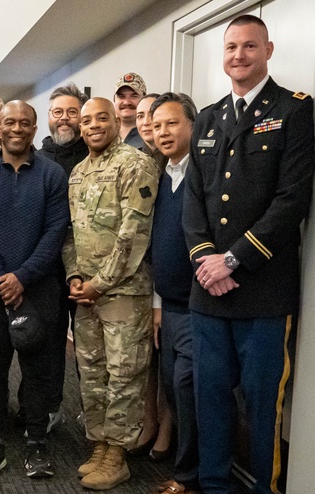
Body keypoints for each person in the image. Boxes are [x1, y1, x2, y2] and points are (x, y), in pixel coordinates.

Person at [176, 15, 315, 494]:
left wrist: (232, 259)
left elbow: (292, 198)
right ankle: (214, 492)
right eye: (231, 46)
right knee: (208, 397)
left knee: (262, 403)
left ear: (268, 49)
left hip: (263, 291)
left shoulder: (293, 111)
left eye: (249, 46)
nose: (238, 55)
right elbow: (194, 202)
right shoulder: (209, 119)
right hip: (208, 293)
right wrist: (204, 261)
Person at [0, 100, 70, 478]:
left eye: (25, 122)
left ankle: (36, 444)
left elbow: (55, 234)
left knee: (37, 371)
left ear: (35, 127)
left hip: (39, 289)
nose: (17, 129)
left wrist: (22, 276)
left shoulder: (53, 176)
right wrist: (2, 278)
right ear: (0, 127)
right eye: (10, 122)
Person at [63, 97, 158, 491]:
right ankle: (101, 444)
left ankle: (118, 456)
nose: (94, 125)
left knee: (124, 374)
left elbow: (133, 235)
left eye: (102, 118)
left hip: (123, 293)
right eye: (87, 120)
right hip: (87, 295)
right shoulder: (78, 173)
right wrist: (74, 277)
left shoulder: (136, 164)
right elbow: (70, 235)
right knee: (93, 372)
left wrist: (99, 283)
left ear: (116, 122)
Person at [141, 92, 201, 494]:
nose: (163, 132)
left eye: (172, 123)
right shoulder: (163, 174)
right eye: (157, 125)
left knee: (189, 388)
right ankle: (187, 470)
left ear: (193, 126)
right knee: (175, 391)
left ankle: (190, 478)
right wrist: (159, 303)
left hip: (202, 308)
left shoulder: (206, 174)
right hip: (172, 306)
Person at [35, 81, 89, 432]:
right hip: (47, 268)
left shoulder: (95, 154)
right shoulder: (36, 159)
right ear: (48, 118)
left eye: (73, 112)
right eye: (58, 112)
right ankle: (50, 406)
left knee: (88, 346)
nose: (65, 119)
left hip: (89, 268)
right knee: (49, 342)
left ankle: (92, 411)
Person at [129, 92, 175, 461]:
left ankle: (166, 425)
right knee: (145, 357)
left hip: (166, 274)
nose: (147, 124)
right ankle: (147, 420)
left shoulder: (175, 164)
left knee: (166, 358)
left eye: (155, 117)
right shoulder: (139, 162)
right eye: (142, 116)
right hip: (138, 274)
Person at [114, 72, 147, 149]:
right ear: (114, 100)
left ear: (144, 99)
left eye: (134, 96)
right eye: (121, 96)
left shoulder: (151, 137)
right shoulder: (105, 135)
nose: (127, 102)